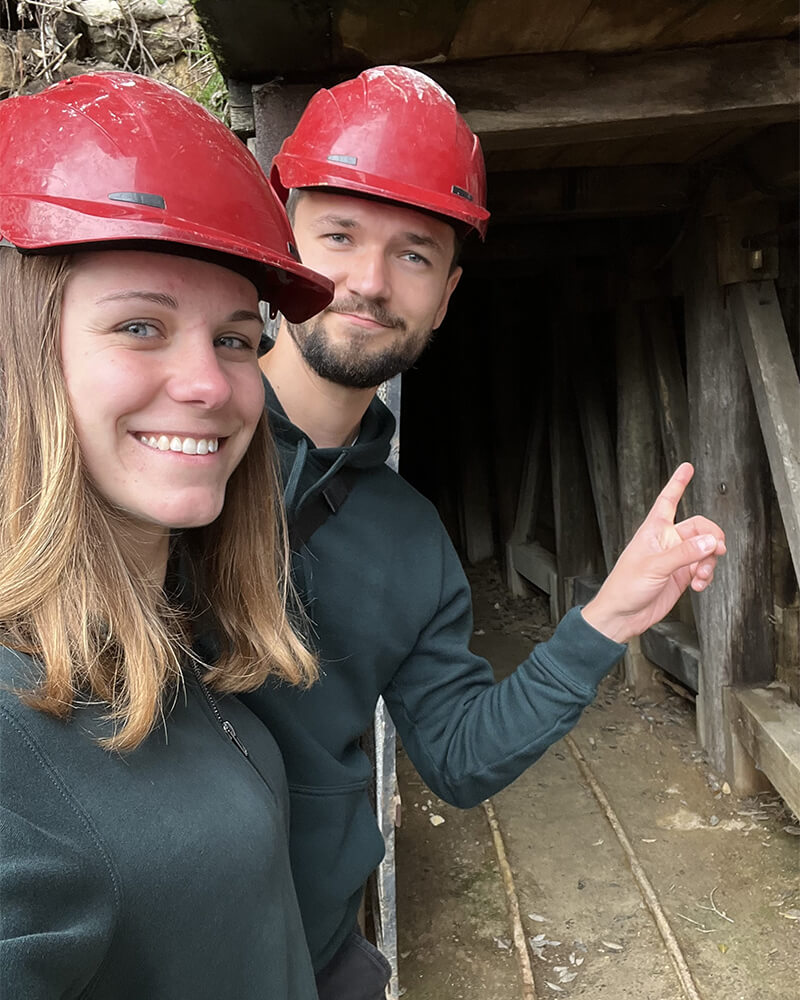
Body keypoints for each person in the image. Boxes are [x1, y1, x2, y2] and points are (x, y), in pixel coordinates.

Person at [245, 66, 727, 999]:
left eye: (414, 255)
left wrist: (604, 624)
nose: (370, 282)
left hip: (311, 966)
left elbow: (458, 761)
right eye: (338, 234)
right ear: (281, 241)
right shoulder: (166, 447)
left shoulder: (410, 541)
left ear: (449, 294)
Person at [0, 72, 335, 999]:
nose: (209, 384)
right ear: (19, 357)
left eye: (235, 339)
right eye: (141, 326)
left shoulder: (170, 636)